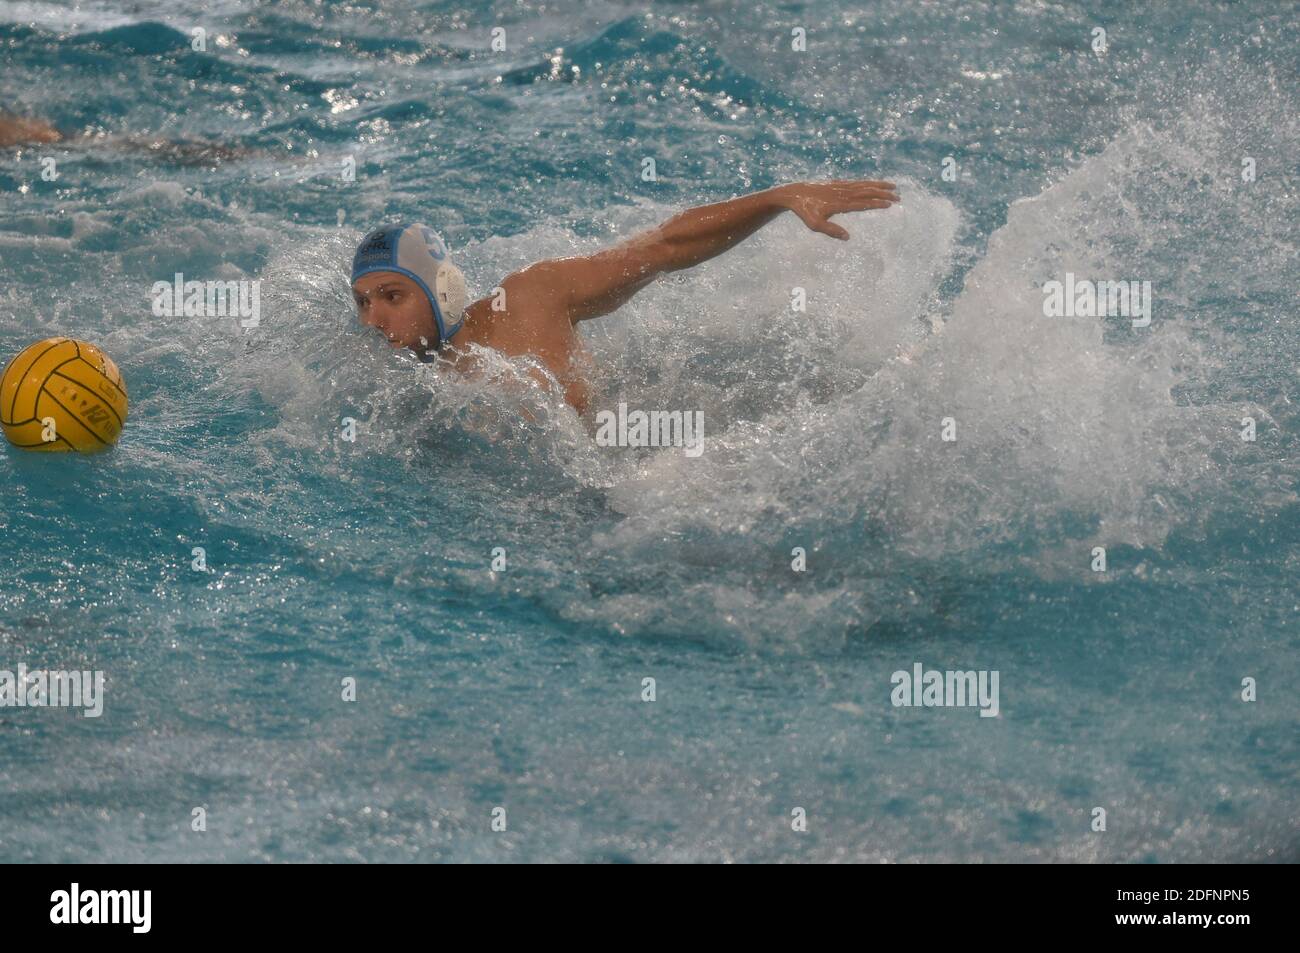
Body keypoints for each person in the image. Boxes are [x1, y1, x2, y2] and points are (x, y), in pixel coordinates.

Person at [351, 179, 899, 413]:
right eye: (363, 302)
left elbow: (661, 246)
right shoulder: (398, 395)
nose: (374, 319)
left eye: (392, 296)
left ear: (441, 290)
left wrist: (778, 198)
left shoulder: (530, 298)